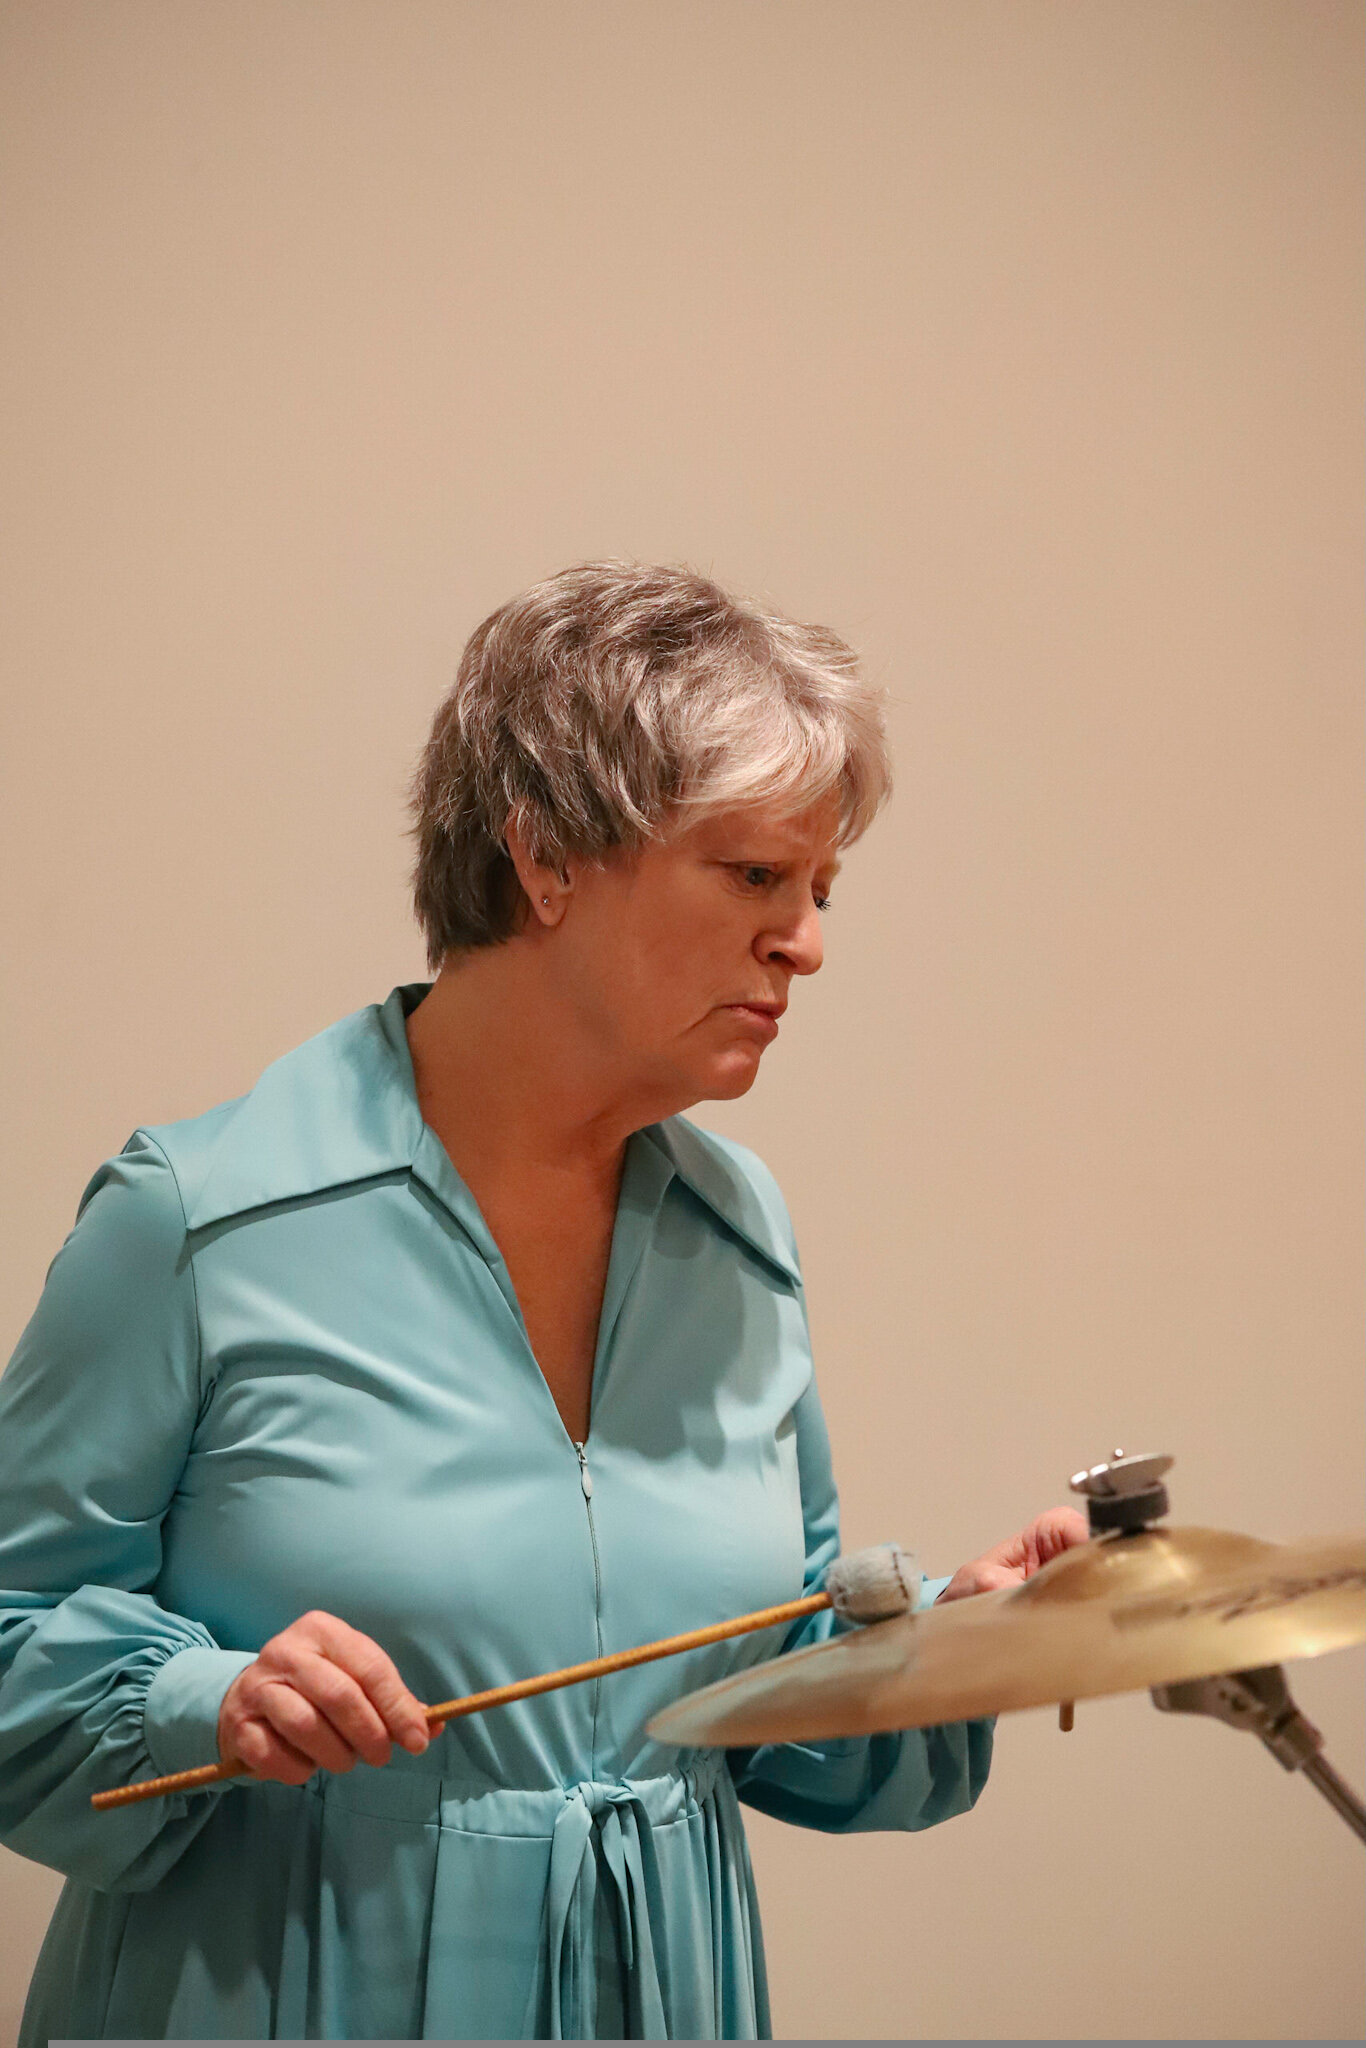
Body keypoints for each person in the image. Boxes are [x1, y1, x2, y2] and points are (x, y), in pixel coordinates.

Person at [0, 562, 1085, 2041]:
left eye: (819, 889)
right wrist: (208, 1702)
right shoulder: (194, 1223)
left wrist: (973, 1635)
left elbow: (771, 1695)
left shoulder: (738, 1229)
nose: (807, 943)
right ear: (547, 857)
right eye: (757, 876)